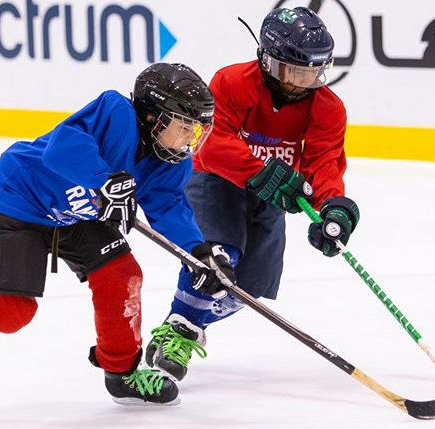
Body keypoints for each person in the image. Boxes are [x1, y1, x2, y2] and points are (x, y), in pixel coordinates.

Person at [0, 63, 237, 406]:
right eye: (183, 124)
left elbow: (169, 207)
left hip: (78, 218)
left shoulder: (168, 164)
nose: (190, 137)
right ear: (152, 116)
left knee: (122, 275)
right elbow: (63, 146)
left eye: (196, 128)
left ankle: (121, 374)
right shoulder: (116, 112)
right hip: (23, 199)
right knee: (9, 314)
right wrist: (103, 182)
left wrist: (199, 253)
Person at [145, 8, 361, 382]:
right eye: (295, 71)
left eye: (314, 72)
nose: (304, 81)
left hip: (270, 195)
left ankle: (180, 322)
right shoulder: (231, 82)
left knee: (251, 287)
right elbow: (209, 145)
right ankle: (182, 334)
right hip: (216, 180)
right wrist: (263, 171)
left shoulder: (328, 108)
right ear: (268, 59)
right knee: (218, 257)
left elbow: (323, 163)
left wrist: (333, 208)